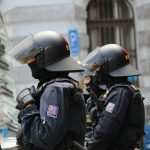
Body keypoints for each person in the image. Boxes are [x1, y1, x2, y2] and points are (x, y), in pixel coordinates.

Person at [8, 31, 86, 150]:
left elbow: (46, 138)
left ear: (44, 58)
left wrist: (29, 107)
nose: (29, 62)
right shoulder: (62, 85)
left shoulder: (55, 89)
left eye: (32, 57)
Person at [81, 44, 145, 150]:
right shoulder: (120, 90)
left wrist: (89, 146)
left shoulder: (119, 93)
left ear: (107, 67)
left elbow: (105, 130)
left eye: (98, 68)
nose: (96, 72)